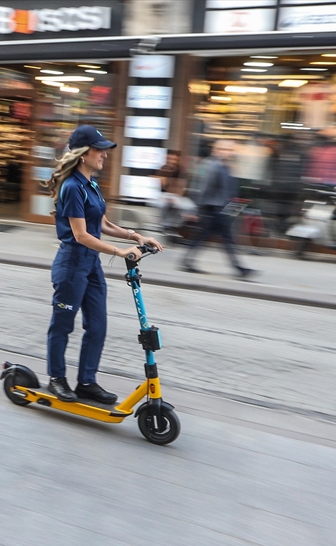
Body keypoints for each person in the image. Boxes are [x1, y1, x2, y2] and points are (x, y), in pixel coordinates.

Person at [41, 125, 163, 404]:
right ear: (83, 153)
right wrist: (120, 252)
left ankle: (86, 382)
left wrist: (137, 235)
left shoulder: (91, 185)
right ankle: (56, 379)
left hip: (91, 264)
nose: (105, 155)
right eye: (99, 150)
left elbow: (103, 224)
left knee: (97, 326)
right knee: (62, 325)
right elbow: (81, 235)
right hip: (72, 263)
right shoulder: (72, 186)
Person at [180, 139, 256, 280]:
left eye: (231, 150)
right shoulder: (212, 165)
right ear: (217, 150)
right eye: (225, 149)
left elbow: (229, 190)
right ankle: (239, 268)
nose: (229, 152)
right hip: (211, 209)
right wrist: (196, 209)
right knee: (222, 240)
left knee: (206, 238)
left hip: (220, 209)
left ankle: (187, 260)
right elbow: (204, 188)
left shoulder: (226, 166)